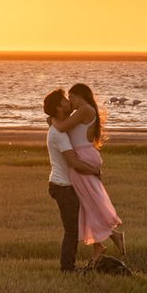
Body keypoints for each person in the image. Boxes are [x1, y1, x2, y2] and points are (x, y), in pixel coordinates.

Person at [50, 82, 126, 262]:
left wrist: (52, 118)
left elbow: (61, 127)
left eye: (72, 97)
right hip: (82, 154)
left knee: (90, 199)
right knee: (85, 200)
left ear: (79, 95)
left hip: (82, 156)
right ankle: (102, 242)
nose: (70, 101)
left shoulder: (84, 109)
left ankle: (112, 235)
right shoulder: (84, 111)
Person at [43, 88, 104, 272]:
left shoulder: (60, 129)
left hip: (62, 184)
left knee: (74, 227)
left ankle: (74, 263)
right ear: (60, 107)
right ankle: (67, 269)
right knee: (71, 231)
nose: (69, 102)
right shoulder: (59, 134)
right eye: (65, 99)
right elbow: (74, 163)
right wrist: (94, 170)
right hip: (63, 187)